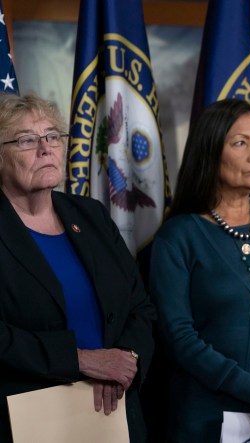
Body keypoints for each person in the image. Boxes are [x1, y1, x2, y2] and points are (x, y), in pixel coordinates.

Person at [150, 99, 250, 441]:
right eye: (240, 143)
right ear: (210, 152)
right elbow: (179, 338)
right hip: (206, 421)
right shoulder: (177, 237)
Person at [0, 94, 154, 441]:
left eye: (53, 136)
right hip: (27, 421)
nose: (45, 149)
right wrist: (79, 359)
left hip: (114, 416)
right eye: (26, 140)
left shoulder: (91, 215)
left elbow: (140, 307)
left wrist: (126, 358)